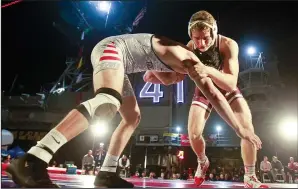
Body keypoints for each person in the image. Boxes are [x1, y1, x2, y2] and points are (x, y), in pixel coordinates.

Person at [6, 33, 260, 188]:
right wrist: (241, 130)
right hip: (111, 48)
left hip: (122, 56)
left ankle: (106, 173)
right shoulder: (189, 62)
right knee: (108, 101)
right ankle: (33, 159)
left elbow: (150, 71)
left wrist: (158, 76)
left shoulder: (170, 63)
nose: (175, 82)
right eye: (174, 80)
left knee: (132, 116)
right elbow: (215, 94)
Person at [143, 10, 266, 188]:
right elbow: (176, 77)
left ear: (214, 32)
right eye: (196, 38)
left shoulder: (228, 44)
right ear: (190, 35)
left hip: (225, 88)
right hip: (204, 90)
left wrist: (206, 69)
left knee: (247, 128)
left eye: (205, 38)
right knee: (193, 134)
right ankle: (202, 161)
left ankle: (250, 175)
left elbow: (231, 83)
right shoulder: (190, 46)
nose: (200, 43)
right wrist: (157, 72)